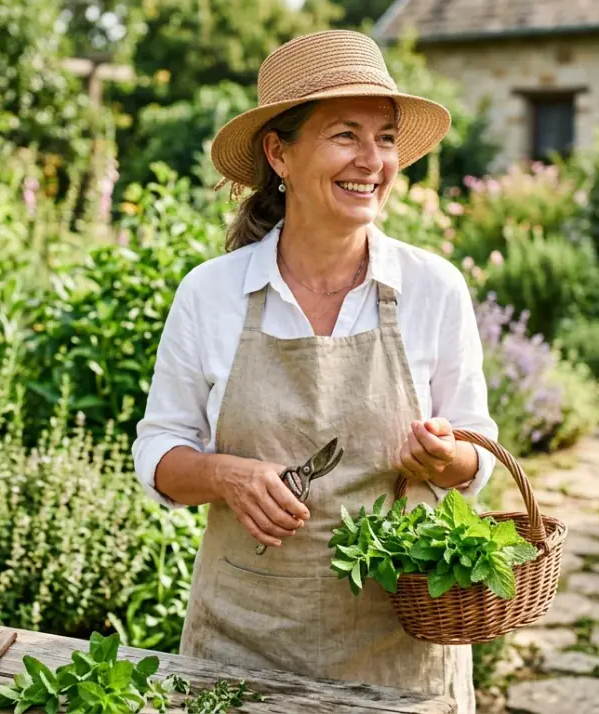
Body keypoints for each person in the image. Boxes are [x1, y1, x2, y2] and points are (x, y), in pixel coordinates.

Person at [131, 29, 498, 713]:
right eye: (345, 135)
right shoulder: (211, 294)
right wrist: (223, 474)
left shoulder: (432, 288)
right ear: (280, 153)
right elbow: (157, 452)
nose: (373, 160)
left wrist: (447, 459)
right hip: (243, 653)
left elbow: (478, 456)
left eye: (385, 138)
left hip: (400, 656)